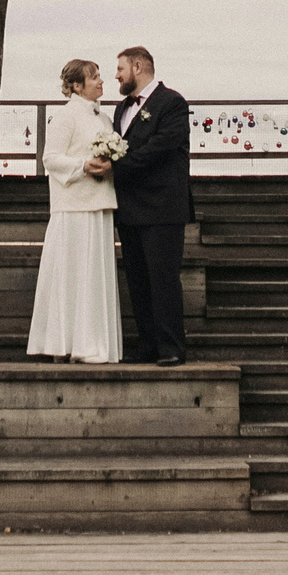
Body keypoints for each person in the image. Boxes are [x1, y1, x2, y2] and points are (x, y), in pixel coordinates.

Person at [99, 44, 191, 364]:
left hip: (163, 206)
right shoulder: (121, 108)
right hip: (130, 207)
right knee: (137, 280)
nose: (116, 75)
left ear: (138, 67)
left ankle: (171, 348)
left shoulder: (173, 103)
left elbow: (161, 148)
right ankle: (148, 344)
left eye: (120, 69)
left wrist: (116, 167)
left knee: (163, 278)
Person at [27, 58, 123, 363]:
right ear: (77, 86)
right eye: (94, 77)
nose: (101, 81)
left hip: (99, 205)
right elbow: (50, 158)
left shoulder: (105, 120)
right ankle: (64, 342)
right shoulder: (65, 117)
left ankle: (92, 343)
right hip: (72, 209)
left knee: (94, 277)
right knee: (71, 276)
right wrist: (83, 166)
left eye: (99, 76)